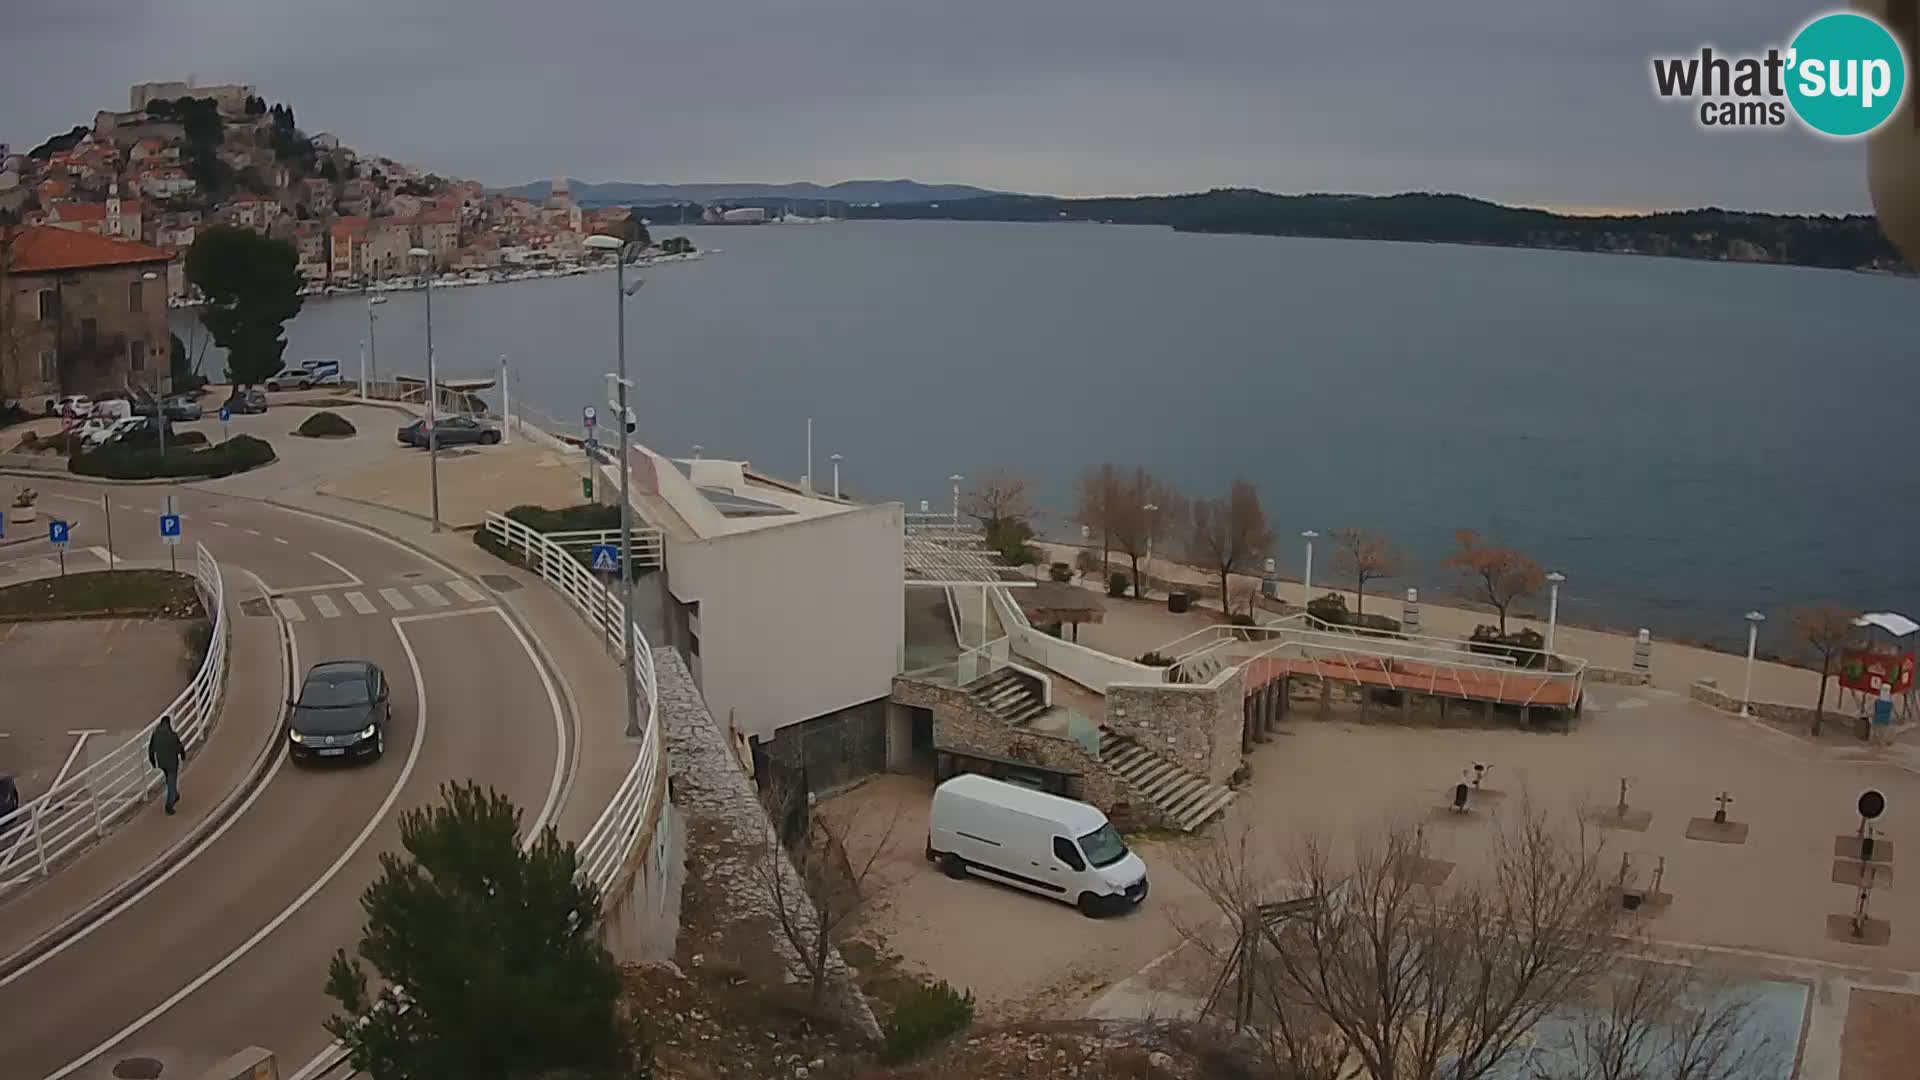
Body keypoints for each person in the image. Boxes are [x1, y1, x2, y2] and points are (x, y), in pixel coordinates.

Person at [148, 715, 186, 815]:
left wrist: (152, 762)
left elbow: (151, 749)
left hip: (162, 762)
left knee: (169, 779)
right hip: (172, 763)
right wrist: (183, 755)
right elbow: (179, 747)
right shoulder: (172, 735)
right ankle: (169, 805)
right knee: (172, 781)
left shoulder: (155, 734)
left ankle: (175, 795)